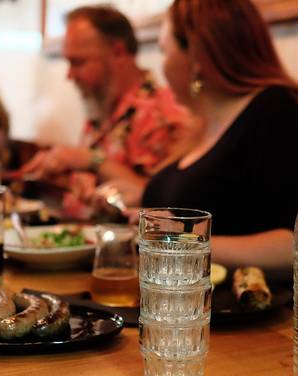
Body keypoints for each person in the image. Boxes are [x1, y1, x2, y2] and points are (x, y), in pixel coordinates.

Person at [141, 0, 298, 279]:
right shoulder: (203, 125)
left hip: (253, 314)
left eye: (164, 51)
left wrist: (182, 239)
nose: (161, 68)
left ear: (196, 56)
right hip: (179, 299)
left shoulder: (281, 111)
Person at [16, 5, 188, 218]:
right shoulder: (102, 105)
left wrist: (90, 159)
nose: (69, 75)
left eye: (78, 62)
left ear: (117, 52)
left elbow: (158, 200)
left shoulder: (160, 111)